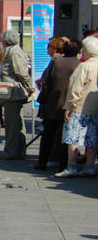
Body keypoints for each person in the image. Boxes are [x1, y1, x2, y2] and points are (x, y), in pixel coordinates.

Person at [56, 37, 98, 177]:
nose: (82, 52)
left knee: (73, 138)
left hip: (80, 107)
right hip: (95, 108)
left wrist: (69, 106)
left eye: (84, 49)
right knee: (91, 139)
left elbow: (75, 88)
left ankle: (72, 166)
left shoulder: (84, 66)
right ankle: (89, 166)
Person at [35, 39, 79, 172]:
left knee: (47, 135)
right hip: (68, 106)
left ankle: (42, 162)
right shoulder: (79, 65)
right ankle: (62, 164)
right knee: (64, 136)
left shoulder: (56, 62)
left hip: (52, 104)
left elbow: (46, 81)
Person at [0, 29, 35, 160]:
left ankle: (11, 150)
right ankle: (19, 150)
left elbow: (19, 71)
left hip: (13, 91)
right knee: (18, 123)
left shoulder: (14, 52)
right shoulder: (15, 50)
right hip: (15, 91)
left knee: (12, 123)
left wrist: (29, 86)